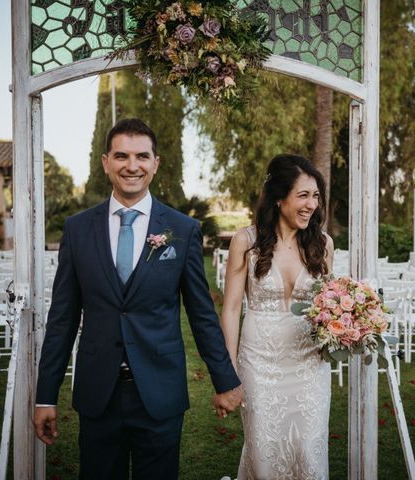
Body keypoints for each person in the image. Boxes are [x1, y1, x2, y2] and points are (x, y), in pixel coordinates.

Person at [33, 118, 243, 480]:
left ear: (155, 163)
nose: (132, 166)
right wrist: (45, 396)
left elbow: (201, 313)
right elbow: (62, 318)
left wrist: (224, 380)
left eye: (142, 156)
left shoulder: (182, 229)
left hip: (159, 393)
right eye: (122, 156)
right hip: (98, 394)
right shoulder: (77, 229)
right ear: (106, 162)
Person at [219, 154, 334, 480]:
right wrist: (228, 372)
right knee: (264, 453)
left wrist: (346, 323)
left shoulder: (323, 245)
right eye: (303, 195)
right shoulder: (247, 241)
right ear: (279, 198)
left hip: (310, 368)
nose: (311, 204)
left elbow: (326, 305)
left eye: (315, 196)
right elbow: (230, 309)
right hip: (259, 366)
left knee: (309, 455)